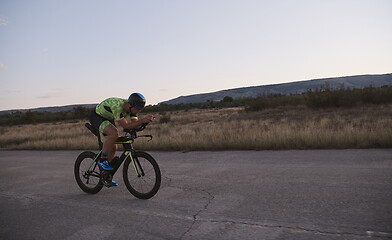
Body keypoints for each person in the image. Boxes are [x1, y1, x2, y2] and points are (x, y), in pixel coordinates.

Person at [89, 93, 154, 185]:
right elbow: (126, 125)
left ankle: (106, 175)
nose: (138, 111)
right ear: (130, 105)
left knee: (114, 147)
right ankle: (102, 160)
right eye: (137, 109)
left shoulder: (133, 109)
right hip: (97, 116)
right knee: (113, 133)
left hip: (108, 117)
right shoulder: (118, 107)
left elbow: (133, 124)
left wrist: (145, 122)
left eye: (140, 109)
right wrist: (142, 120)